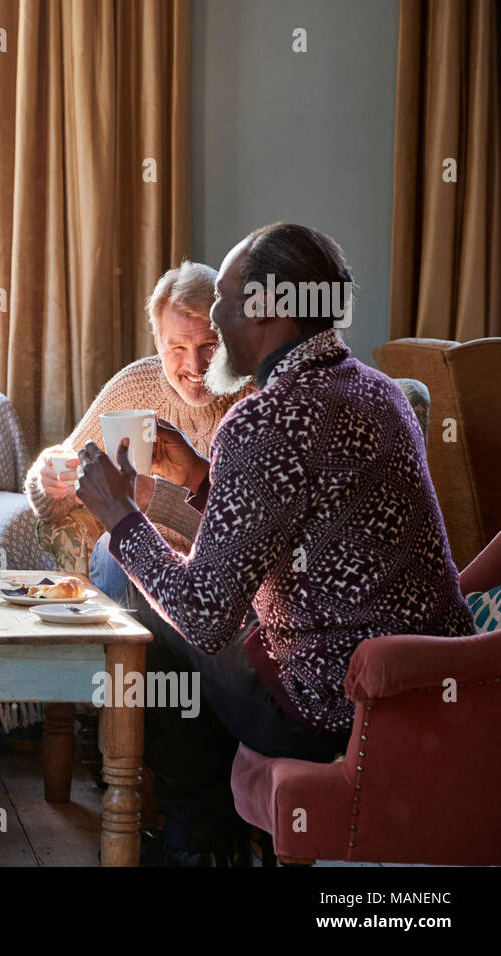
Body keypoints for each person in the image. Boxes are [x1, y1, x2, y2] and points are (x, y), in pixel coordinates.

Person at [75, 222, 476, 865]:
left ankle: (193, 836)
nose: (214, 316)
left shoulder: (266, 417)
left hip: (328, 707)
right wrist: (201, 477)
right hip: (425, 681)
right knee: (148, 581)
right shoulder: (377, 391)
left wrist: (119, 515)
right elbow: (307, 519)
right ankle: (205, 831)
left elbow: (207, 616)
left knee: (119, 574)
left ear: (270, 310)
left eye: (224, 301)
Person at [26, 262, 253, 582]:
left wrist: (154, 498)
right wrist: (48, 482)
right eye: (177, 347)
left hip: (223, 579)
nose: (194, 365)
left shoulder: (257, 401)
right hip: (135, 565)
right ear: (158, 342)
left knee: (119, 550)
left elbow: (253, 538)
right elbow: (62, 481)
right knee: (111, 550)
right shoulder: (136, 386)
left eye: (209, 346)